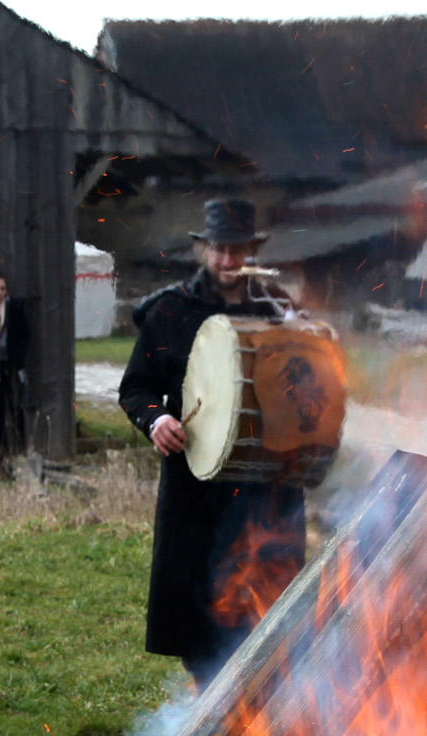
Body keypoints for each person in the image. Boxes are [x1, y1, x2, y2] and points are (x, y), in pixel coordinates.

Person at [119, 198, 305, 686]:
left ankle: (264, 695)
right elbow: (135, 387)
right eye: (219, 249)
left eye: (237, 249)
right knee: (199, 603)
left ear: (251, 250)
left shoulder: (277, 308)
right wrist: (156, 419)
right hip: (196, 485)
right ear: (204, 250)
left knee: (265, 599)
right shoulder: (170, 310)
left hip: (265, 485)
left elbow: (308, 377)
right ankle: (208, 698)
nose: (227, 260)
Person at [0, 270, 30, 449]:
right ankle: (2, 448)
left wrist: (18, 359)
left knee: (17, 406)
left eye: (2, 288)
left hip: (12, 364)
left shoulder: (14, 306)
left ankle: (22, 447)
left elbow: (24, 334)